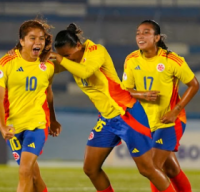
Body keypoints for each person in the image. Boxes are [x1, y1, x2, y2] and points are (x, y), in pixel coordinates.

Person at [46, 23, 177, 192]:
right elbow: (51, 68)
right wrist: (29, 58)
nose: (67, 60)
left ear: (78, 46)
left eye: (69, 56)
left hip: (126, 113)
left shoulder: (96, 51)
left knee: (147, 169)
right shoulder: (72, 58)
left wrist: (60, 58)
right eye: (65, 57)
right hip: (107, 119)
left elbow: (85, 71)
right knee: (90, 168)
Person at [122, 20, 199, 192]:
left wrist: (175, 111)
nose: (140, 36)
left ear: (157, 37)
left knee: (152, 167)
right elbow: (125, 91)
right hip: (146, 123)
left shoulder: (171, 60)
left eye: (146, 32)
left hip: (171, 121)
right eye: (138, 33)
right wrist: (142, 95)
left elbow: (194, 84)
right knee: (170, 169)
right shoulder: (131, 59)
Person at [0, 19, 62, 192]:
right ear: (22, 41)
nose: (38, 42)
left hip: (37, 124)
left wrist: (54, 119)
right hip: (13, 128)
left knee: (25, 170)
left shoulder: (48, 66)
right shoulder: (7, 63)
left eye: (41, 39)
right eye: (32, 38)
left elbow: (48, 93)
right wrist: (2, 126)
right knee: (33, 176)